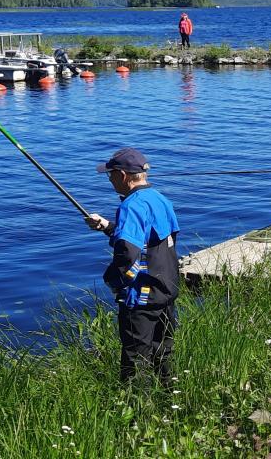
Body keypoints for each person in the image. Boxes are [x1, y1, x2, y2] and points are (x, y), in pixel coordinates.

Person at [84, 148, 181, 383]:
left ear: (123, 175)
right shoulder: (160, 199)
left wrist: (113, 281)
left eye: (110, 175)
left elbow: (128, 252)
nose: (110, 180)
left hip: (142, 297)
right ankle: (169, 402)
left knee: (135, 360)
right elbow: (158, 239)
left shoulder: (131, 205)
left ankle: (136, 414)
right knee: (163, 352)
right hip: (166, 289)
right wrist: (108, 226)